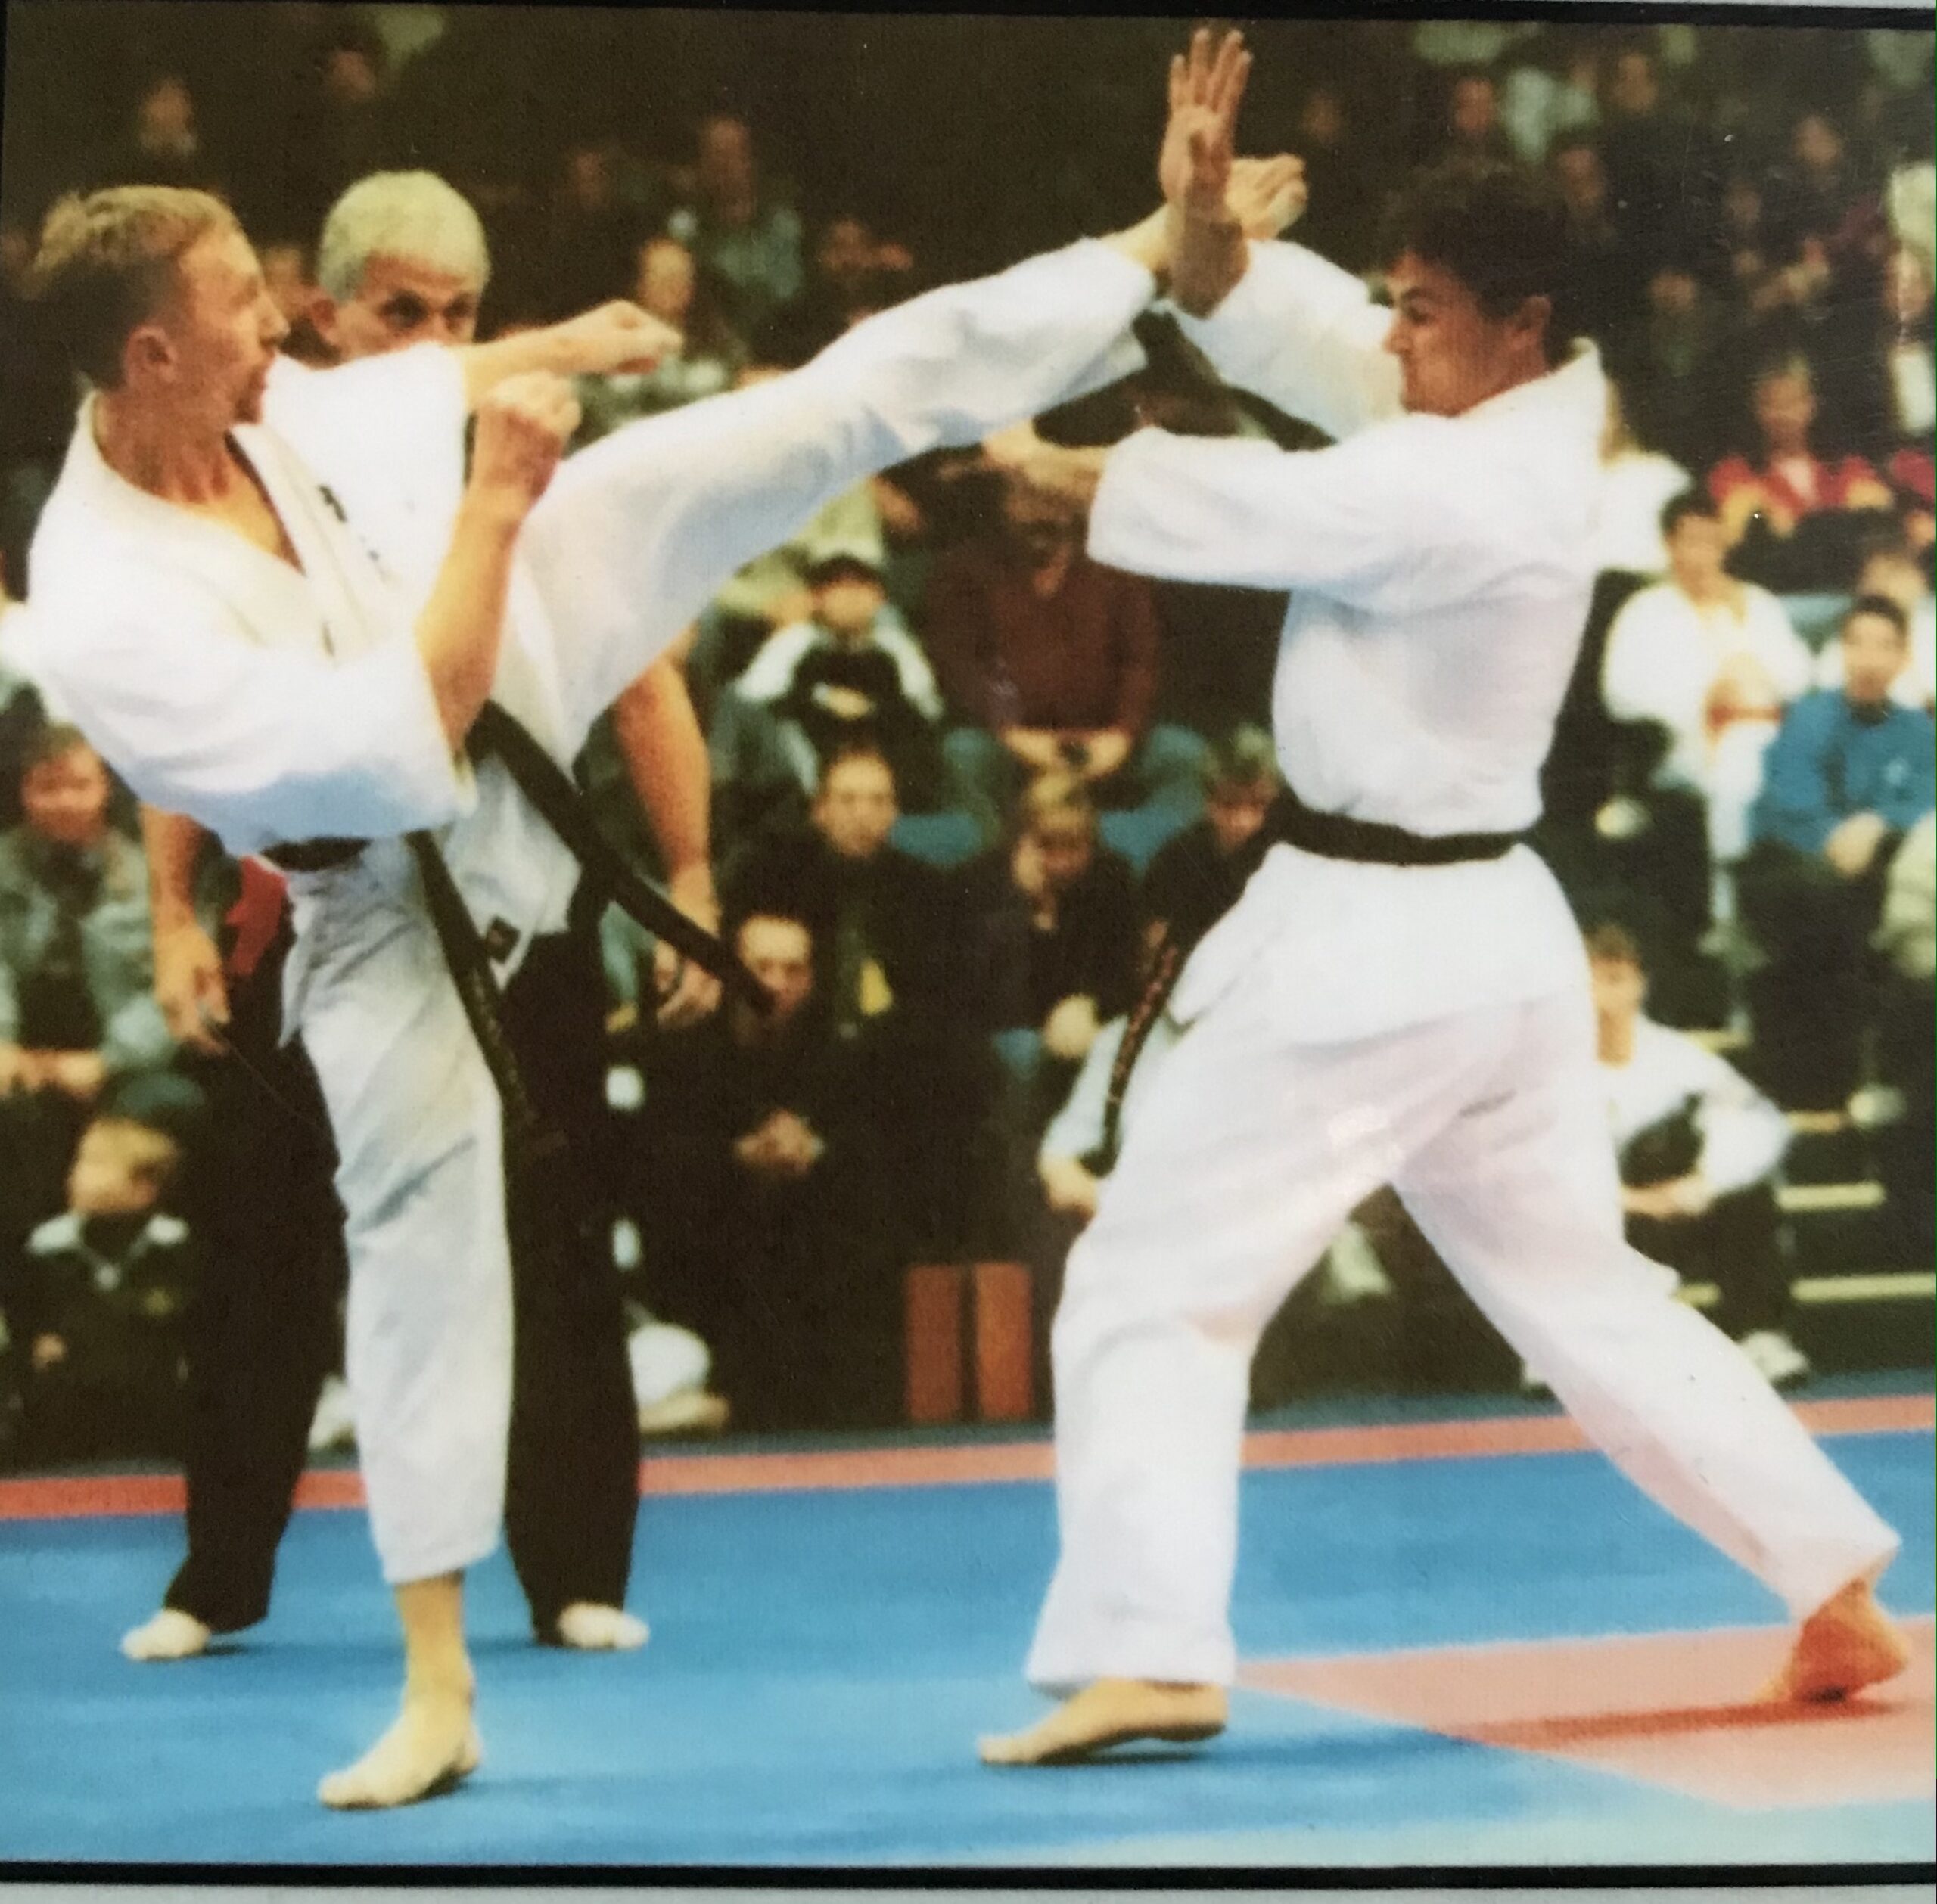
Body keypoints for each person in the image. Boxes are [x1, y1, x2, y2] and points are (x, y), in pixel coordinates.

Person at [24, 171, 1185, 1808]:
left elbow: (394, 389)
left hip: (495, 651)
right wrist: (496, 504)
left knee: (800, 419)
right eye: (237, 300)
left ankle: (1138, 261)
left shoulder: (257, 408)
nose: (278, 317)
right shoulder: (106, 601)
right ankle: (436, 1690)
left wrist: (561, 346)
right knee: (420, 1256)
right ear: (148, 356)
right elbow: (406, 752)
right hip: (385, 873)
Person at [977, 31, 1907, 1769]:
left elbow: (1247, 500)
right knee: (1579, 1285)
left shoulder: (1464, 482)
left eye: (1418, 309)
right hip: (1486, 940)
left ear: (1512, 318)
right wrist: (1194, 227)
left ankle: (1150, 1645)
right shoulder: (1483, 397)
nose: (1389, 332)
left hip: (1375, 945)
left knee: (1149, 1273)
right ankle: (1831, 1588)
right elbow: (1305, 332)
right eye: (1393, 303)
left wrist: (1046, 467)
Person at [118, 172, 720, 1679]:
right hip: (317, 907)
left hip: (517, 910)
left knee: (551, 1240)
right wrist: (171, 916)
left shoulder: (528, 462)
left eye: (460, 315)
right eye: (402, 313)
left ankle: (572, 1568)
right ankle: (219, 1577)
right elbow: (191, 723)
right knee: (264, 1241)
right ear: (322, 312)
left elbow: (642, 680)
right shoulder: (250, 469)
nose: (438, 340)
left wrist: (693, 875)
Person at [1585, 922, 1808, 1387]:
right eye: (1587, 982)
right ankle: (1569, 1344)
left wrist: (1705, 1182)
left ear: (1639, 986)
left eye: (1615, 979)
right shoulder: (1543, 1071)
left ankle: (1759, 1333)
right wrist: (1629, 1199)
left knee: (1746, 1190)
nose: (1601, 996)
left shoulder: (1680, 1059)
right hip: (1604, 1219)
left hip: (1679, 1212)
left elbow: (1760, 1123)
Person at [1737, 595, 1936, 1110]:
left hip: (1873, 871)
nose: (1870, 659)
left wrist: (1878, 823)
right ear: (1842, 650)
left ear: (1902, 656)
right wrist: (1834, 835)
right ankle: (1813, 1091)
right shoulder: (1809, 715)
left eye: (1884, 646)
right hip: (1794, 864)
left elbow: (1924, 799)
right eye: (1858, 643)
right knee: (1818, 901)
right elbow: (1789, 801)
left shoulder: (1919, 730)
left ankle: (1884, 1087)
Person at [0, 728, 178, 1273]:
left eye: (80, 784)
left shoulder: (153, 873)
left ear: (106, 788)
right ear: (24, 793)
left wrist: (109, 1060)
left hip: (117, 1061)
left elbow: (172, 989)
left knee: (172, 1105)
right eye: (47, 786)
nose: (64, 801)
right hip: (19, 1054)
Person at [1600, 491, 1814, 868]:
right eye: (1692, 542)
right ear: (1670, 545)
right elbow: (1619, 694)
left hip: (1770, 730)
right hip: (1685, 743)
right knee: (1738, 765)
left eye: (1713, 543)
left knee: (1759, 754)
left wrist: (1751, 670)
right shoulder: (1645, 611)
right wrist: (1708, 693)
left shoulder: (1756, 603)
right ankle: (1727, 900)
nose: (1703, 556)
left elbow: (1799, 676)